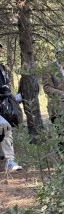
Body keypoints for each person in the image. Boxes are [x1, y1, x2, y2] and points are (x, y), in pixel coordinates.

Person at [0, 41, 22, 171]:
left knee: (6, 130)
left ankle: (9, 160)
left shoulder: (2, 68)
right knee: (4, 127)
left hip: (3, 106)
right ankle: (8, 160)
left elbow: (6, 87)